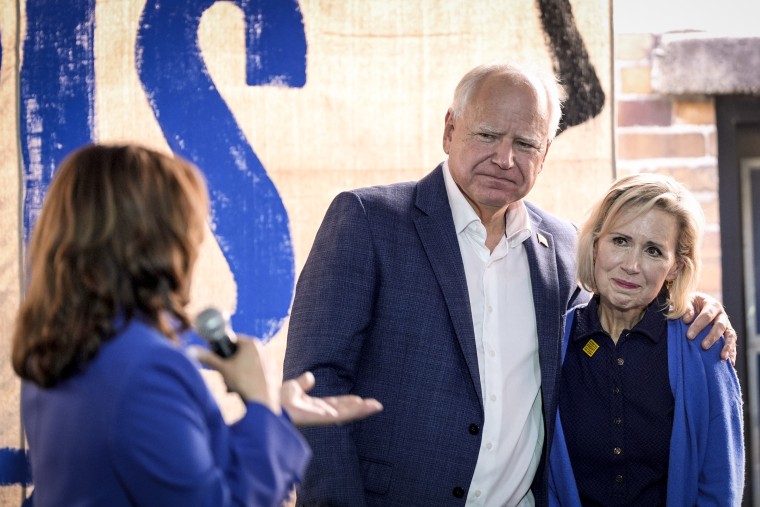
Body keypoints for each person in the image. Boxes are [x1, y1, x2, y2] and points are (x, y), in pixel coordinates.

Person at [283, 61, 737, 506]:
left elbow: (621, 302)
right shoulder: (369, 221)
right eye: (487, 135)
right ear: (449, 130)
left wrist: (694, 304)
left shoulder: (559, 247)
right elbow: (314, 382)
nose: (505, 158)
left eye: (525, 143)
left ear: (545, 155)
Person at [12, 144, 382, 507]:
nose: (197, 243)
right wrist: (259, 403)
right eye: (189, 230)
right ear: (156, 243)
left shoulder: (55, 347)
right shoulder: (147, 368)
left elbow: (165, 468)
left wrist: (271, 416)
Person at [549, 174, 744, 505]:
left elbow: (720, 484)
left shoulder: (704, 347)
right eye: (620, 241)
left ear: (674, 268)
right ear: (596, 244)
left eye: (653, 250)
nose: (631, 265)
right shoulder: (553, 343)